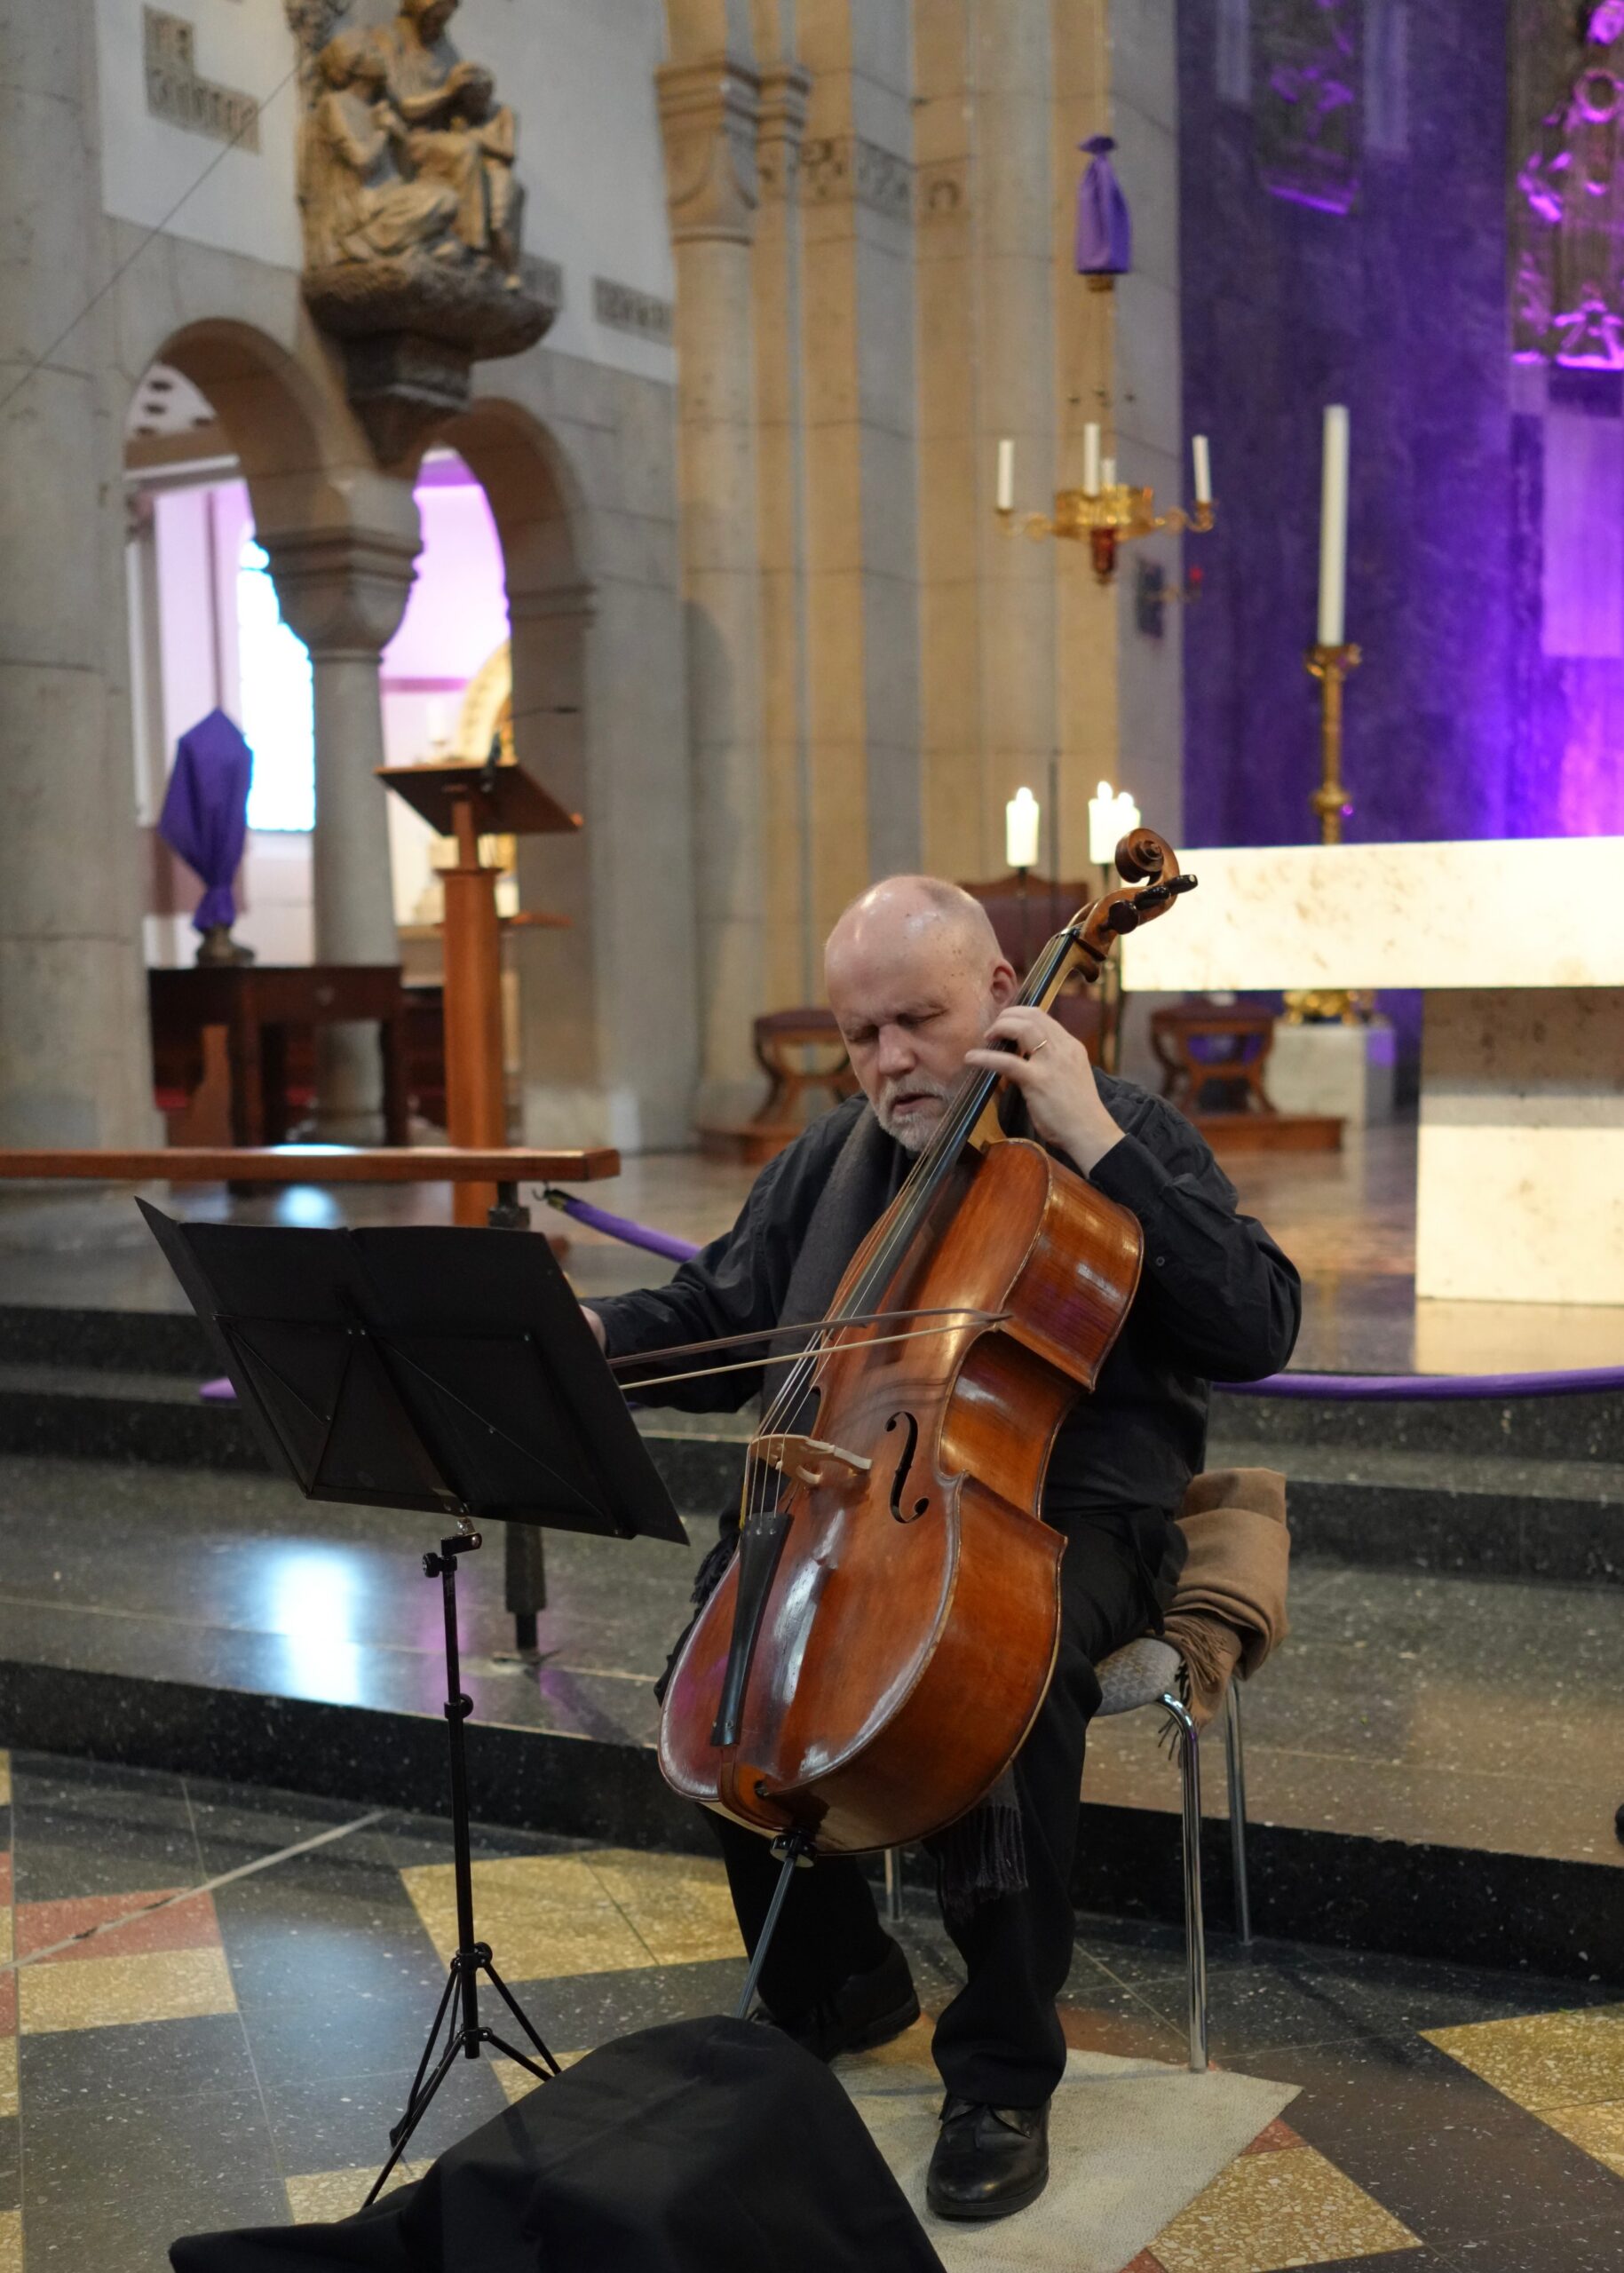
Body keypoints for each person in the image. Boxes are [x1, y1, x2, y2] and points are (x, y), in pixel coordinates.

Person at [584, 876, 1300, 2223]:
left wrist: (1092, 1135)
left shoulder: (1122, 1131)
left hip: (1081, 1506)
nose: (889, 1062)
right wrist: (590, 1342)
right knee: (729, 1664)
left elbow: (1258, 1323)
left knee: (1006, 1677)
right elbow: (719, 1306)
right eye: (860, 1035)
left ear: (999, 990)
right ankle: (835, 1984)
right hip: (874, 1485)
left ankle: (1001, 2072)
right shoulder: (831, 1157)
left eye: (917, 1019)